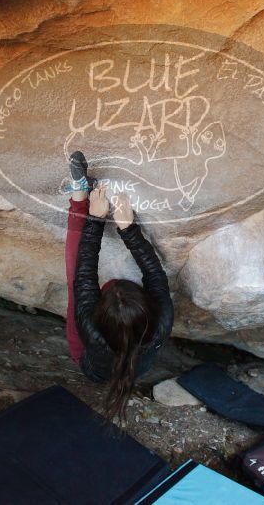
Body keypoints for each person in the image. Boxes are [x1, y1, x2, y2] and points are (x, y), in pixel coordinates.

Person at [64, 151, 174, 424]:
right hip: (135, 365)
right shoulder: (161, 322)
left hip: (90, 364)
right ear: (146, 308)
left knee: (74, 281)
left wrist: (95, 218)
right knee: (78, 282)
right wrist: (129, 229)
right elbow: (155, 275)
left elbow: (84, 270)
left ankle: (80, 194)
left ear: (98, 314)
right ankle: (81, 193)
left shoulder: (89, 327)